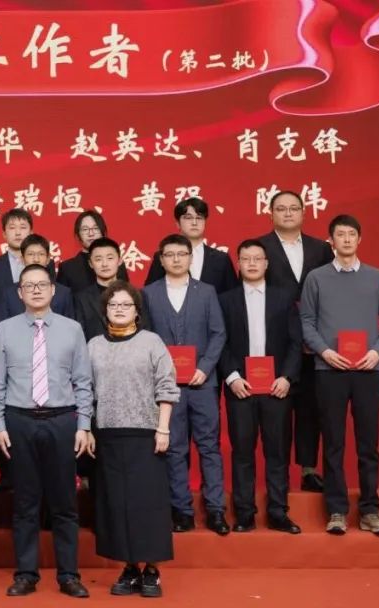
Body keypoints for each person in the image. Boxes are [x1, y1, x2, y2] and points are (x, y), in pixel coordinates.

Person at [0, 264, 94, 598]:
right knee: (25, 503)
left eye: (42, 284)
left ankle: (69, 575)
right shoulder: (4, 330)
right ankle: (25, 574)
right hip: (19, 420)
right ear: (19, 293)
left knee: (64, 503)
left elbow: (83, 382)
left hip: (62, 420)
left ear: (53, 290)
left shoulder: (72, 329)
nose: (36, 290)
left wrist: (84, 424)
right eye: (29, 285)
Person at [300, 215, 379, 535]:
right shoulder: (316, 278)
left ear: (359, 239)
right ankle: (336, 510)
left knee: (368, 444)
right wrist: (324, 351)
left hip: (368, 371)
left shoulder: (377, 278)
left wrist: (377, 351)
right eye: (340, 234)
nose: (346, 239)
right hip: (329, 371)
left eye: (351, 234)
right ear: (331, 241)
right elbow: (306, 321)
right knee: (333, 443)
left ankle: (370, 510)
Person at [87, 281, 178, 598]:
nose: (119, 310)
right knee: (116, 504)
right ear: (105, 311)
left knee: (147, 504)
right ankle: (129, 568)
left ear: (137, 312)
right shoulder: (94, 345)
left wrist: (163, 428)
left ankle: (151, 569)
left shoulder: (152, 342)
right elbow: (86, 391)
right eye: (113, 305)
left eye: (126, 305)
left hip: (146, 434)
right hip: (107, 435)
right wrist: (87, 429)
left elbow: (167, 387)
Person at [142, 234, 229, 535]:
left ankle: (216, 510)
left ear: (191, 258)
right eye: (170, 254)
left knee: (209, 447)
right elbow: (146, 338)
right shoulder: (149, 293)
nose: (176, 259)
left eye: (182, 254)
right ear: (161, 259)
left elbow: (218, 333)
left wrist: (205, 368)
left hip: (202, 384)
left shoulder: (206, 292)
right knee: (174, 448)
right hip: (167, 387)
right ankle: (182, 510)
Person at [218, 240, 303, 534]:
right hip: (240, 388)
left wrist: (287, 377)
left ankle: (278, 512)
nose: (252, 264)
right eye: (246, 259)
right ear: (238, 264)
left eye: (257, 258)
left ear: (267, 264)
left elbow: (295, 342)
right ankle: (244, 514)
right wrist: (232, 377)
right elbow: (220, 341)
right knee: (242, 453)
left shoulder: (284, 297)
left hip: (277, 388)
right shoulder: (225, 300)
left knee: (277, 452)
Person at [256, 190, 335, 493]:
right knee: (277, 412)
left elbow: (332, 291)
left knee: (310, 408)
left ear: (303, 212)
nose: (288, 213)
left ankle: (308, 469)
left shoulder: (321, 249)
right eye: (281, 209)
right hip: (275, 342)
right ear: (271, 213)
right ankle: (278, 476)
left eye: (293, 208)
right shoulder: (259, 247)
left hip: (315, 344)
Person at [144, 198, 237, 294]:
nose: (194, 223)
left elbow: (233, 296)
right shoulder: (164, 256)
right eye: (188, 218)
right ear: (178, 223)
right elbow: (150, 293)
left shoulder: (221, 259)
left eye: (199, 218)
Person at [74, 237, 150, 341]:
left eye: (110, 258)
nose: (104, 264)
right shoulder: (81, 298)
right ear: (91, 264)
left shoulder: (137, 294)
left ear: (119, 261)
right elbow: (79, 336)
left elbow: (146, 329)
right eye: (98, 259)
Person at [57, 210, 129, 291]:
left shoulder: (116, 263)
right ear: (78, 235)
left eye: (95, 228)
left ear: (103, 232)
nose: (91, 233)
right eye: (85, 229)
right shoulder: (67, 268)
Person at [0, 208, 33, 320]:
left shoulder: (44, 263)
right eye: (12, 228)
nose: (18, 233)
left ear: (31, 233)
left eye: (23, 227)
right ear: (4, 234)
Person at [20, 234, 75, 318]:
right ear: (22, 259)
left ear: (48, 258)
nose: (36, 259)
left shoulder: (64, 293)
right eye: (30, 254)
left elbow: (69, 324)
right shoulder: (8, 294)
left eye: (41, 254)